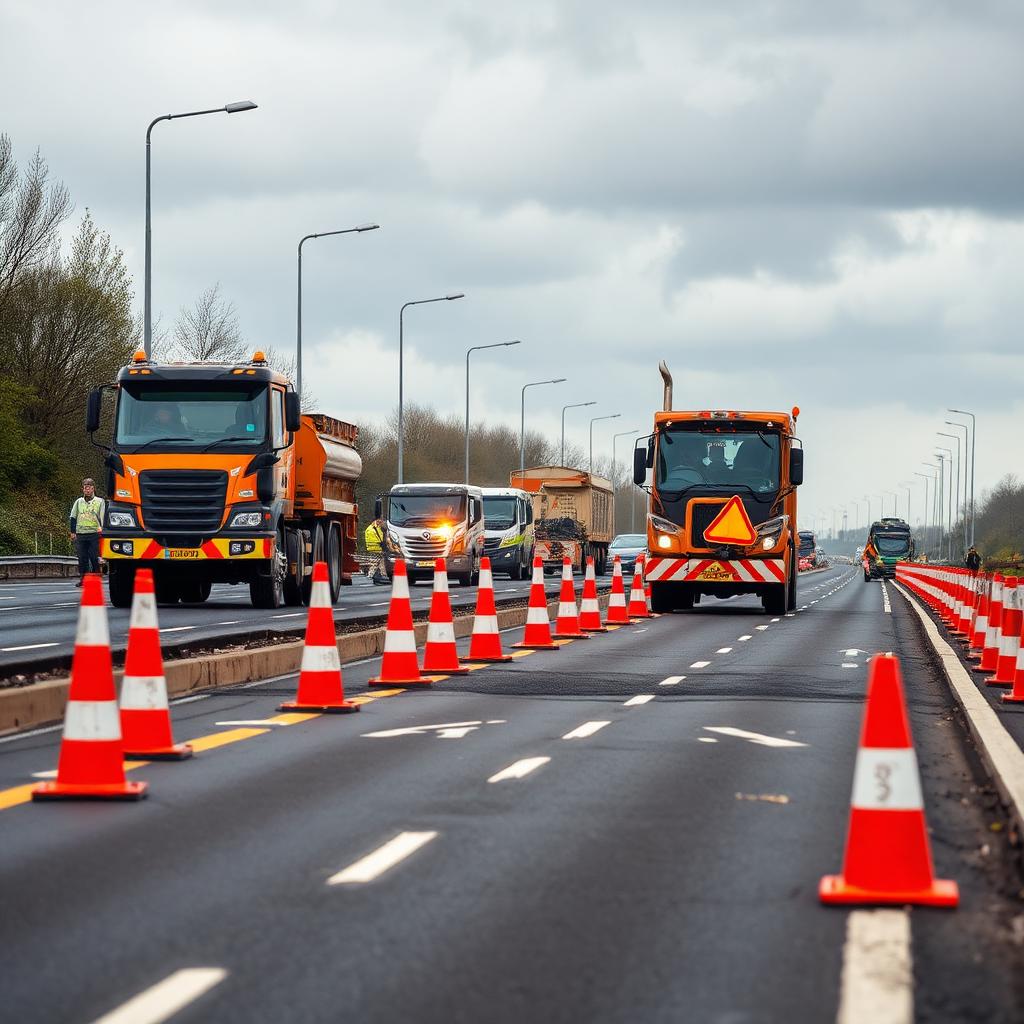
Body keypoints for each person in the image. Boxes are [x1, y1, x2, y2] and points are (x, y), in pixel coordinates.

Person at [69, 478, 105, 586]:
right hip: (81, 533)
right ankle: (83, 579)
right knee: (82, 558)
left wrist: (103, 531)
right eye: (85, 488)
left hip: (94, 533)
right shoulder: (79, 502)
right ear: (83, 489)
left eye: (89, 488)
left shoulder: (99, 501)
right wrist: (72, 531)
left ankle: (96, 577)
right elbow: (73, 517)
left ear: (93, 488)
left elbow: (102, 517)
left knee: (94, 557)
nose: (87, 490)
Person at [364, 514, 386, 585]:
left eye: (381, 519)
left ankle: (378, 578)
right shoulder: (371, 529)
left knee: (378, 565)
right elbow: (373, 541)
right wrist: (381, 544)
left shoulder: (378, 528)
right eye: (379, 519)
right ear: (375, 520)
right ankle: (377, 578)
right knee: (376, 565)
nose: (380, 521)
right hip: (375, 550)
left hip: (378, 550)